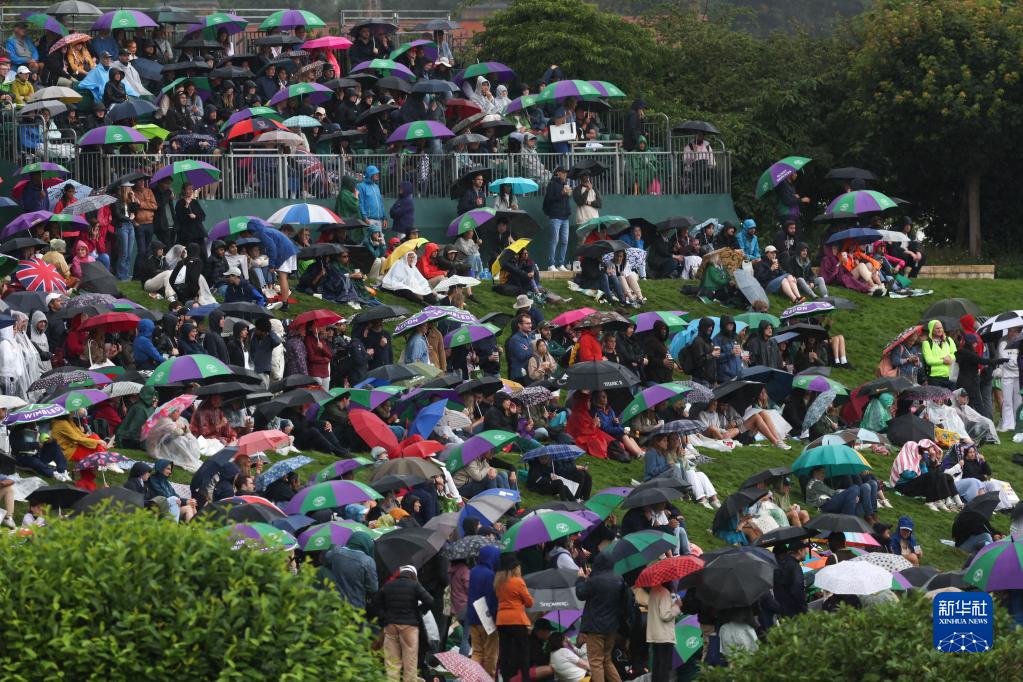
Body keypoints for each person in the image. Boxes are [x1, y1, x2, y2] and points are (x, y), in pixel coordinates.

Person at [576, 552, 632, 682]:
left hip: (595, 628)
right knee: (607, 660)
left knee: (595, 662)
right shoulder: (619, 579)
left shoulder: (595, 580)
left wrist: (580, 578)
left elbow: (581, 593)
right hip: (612, 627)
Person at [372, 565, 433, 682]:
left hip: (391, 626)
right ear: (413, 575)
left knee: (391, 661)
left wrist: (384, 616)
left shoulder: (389, 585)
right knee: (410, 661)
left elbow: (375, 603)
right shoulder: (415, 585)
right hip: (409, 627)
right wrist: (419, 611)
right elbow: (430, 601)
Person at [889, 440, 960, 512]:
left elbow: (926, 473)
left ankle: (949, 502)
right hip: (902, 486)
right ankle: (930, 502)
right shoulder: (902, 459)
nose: (916, 452)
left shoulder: (915, 459)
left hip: (911, 484)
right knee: (932, 475)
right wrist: (919, 468)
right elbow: (907, 475)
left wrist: (922, 463)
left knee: (946, 476)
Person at [496, 555, 534, 682]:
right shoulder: (518, 581)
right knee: (524, 652)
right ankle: (525, 679)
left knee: (505, 653)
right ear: (514, 568)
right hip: (517, 620)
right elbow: (529, 603)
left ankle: (505, 679)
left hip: (501, 621)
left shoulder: (498, 582)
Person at [319, 530, 378, 609]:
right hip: (356, 606)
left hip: (335, 603)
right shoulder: (368, 561)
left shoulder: (336, 552)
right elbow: (373, 588)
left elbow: (325, 560)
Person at [467, 544, 501, 677]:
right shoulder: (490, 574)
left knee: (477, 651)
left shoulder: (473, 571)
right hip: (487, 619)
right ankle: (488, 678)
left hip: (473, 616)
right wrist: (495, 617)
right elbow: (491, 599)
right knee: (490, 652)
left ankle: (473, 678)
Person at [806, 466, 874, 521]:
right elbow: (834, 493)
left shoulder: (817, 483)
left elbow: (832, 492)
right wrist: (850, 493)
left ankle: (866, 515)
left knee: (863, 489)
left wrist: (851, 494)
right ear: (815, 473)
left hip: (829, 503)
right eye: (822, 473)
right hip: (824, 506)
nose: (824, 475)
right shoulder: (815, 482)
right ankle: (847, 519)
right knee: (855, 488)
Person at [647, 580, 681, 681]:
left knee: (657, 665)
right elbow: (665, 615)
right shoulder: (664, 593)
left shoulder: (653, 591)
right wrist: (677, 606)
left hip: (655, 635)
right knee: (664, 666)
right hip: (664, 635)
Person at [543, 166, 571, 272]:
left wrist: (567, 194)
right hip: (555, 216)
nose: (565, 175)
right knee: (555, 240)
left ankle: (561, 264)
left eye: (566, 173)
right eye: (563, 173)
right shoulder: (552, 184)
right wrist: (561, 194)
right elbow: (549, 199)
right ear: (558, 173)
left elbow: (565, 201)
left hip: (565, 217)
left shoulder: (565, 184)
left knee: (565, 241)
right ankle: (551, 264)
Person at [921, 319, 957, 389]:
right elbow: (929, 360)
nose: (940, 330)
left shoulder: (949, 340)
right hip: (934, 378)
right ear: (931, 329)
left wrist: (949, 357)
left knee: (951, 399)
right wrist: (943, 361)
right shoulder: (927, 343)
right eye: (937, 328)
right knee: (937, 399)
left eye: (941, 328)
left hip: (950, 377)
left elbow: (955, 354)